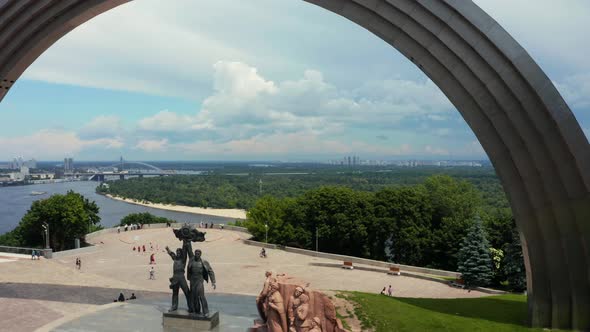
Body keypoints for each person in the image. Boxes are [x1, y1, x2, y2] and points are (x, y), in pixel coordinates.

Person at [186, 243, 216, 316]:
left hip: (199, 281)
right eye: (196, 253)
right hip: (193, 281)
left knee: (201, 296)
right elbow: (189, 270)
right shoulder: (191, 261)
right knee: (194, 296)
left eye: (198, 253)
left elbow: (210, 271)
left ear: (200, 254)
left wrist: (213, 282)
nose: (197, 254)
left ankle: (206, 311)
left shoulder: (204, 262)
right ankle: (197, 310)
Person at [165, 244, 191, 312]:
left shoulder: (183, 260)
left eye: (179, 253)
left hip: (181, 277)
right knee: (175, 293)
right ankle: (174, 306)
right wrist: (168, 249)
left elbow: (185, 252)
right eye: (177, 253)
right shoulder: (175, 259)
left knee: (187, 292)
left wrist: (185, 244)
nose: (178, 254)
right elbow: (171, 254)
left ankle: (191, 307)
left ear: (181, 253)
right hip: (175, 277)